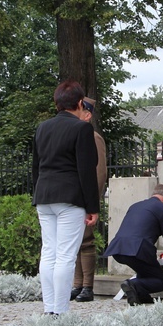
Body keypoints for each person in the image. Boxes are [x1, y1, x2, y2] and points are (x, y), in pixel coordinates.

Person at [32, 81, 100, 315]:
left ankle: (49, 308)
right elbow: (87, 170)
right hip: (70, 198)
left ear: (56, 103)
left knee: (49, 252)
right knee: (65, 256)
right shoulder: (82, 129)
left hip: (44, 196)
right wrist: (92, 207)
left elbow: (36, 167)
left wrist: (38, 194)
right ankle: (60, 311)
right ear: (80, 103)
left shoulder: (42, 128)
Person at [103, 184, 163, 306]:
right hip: (139, 250)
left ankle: (140, 295)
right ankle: (133, 285)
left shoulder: (135, 205)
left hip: (119, 248)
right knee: (159, 281)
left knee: (146, 272)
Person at [70, 97, 107, 302]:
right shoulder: (75, 135)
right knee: (75, 242)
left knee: (86, 242)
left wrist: (91, 199)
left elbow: (99, 173)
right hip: (74, 198)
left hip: (86, 198)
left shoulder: (93, 137)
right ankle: (77, 284)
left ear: (87, 114)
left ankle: (87, 286)